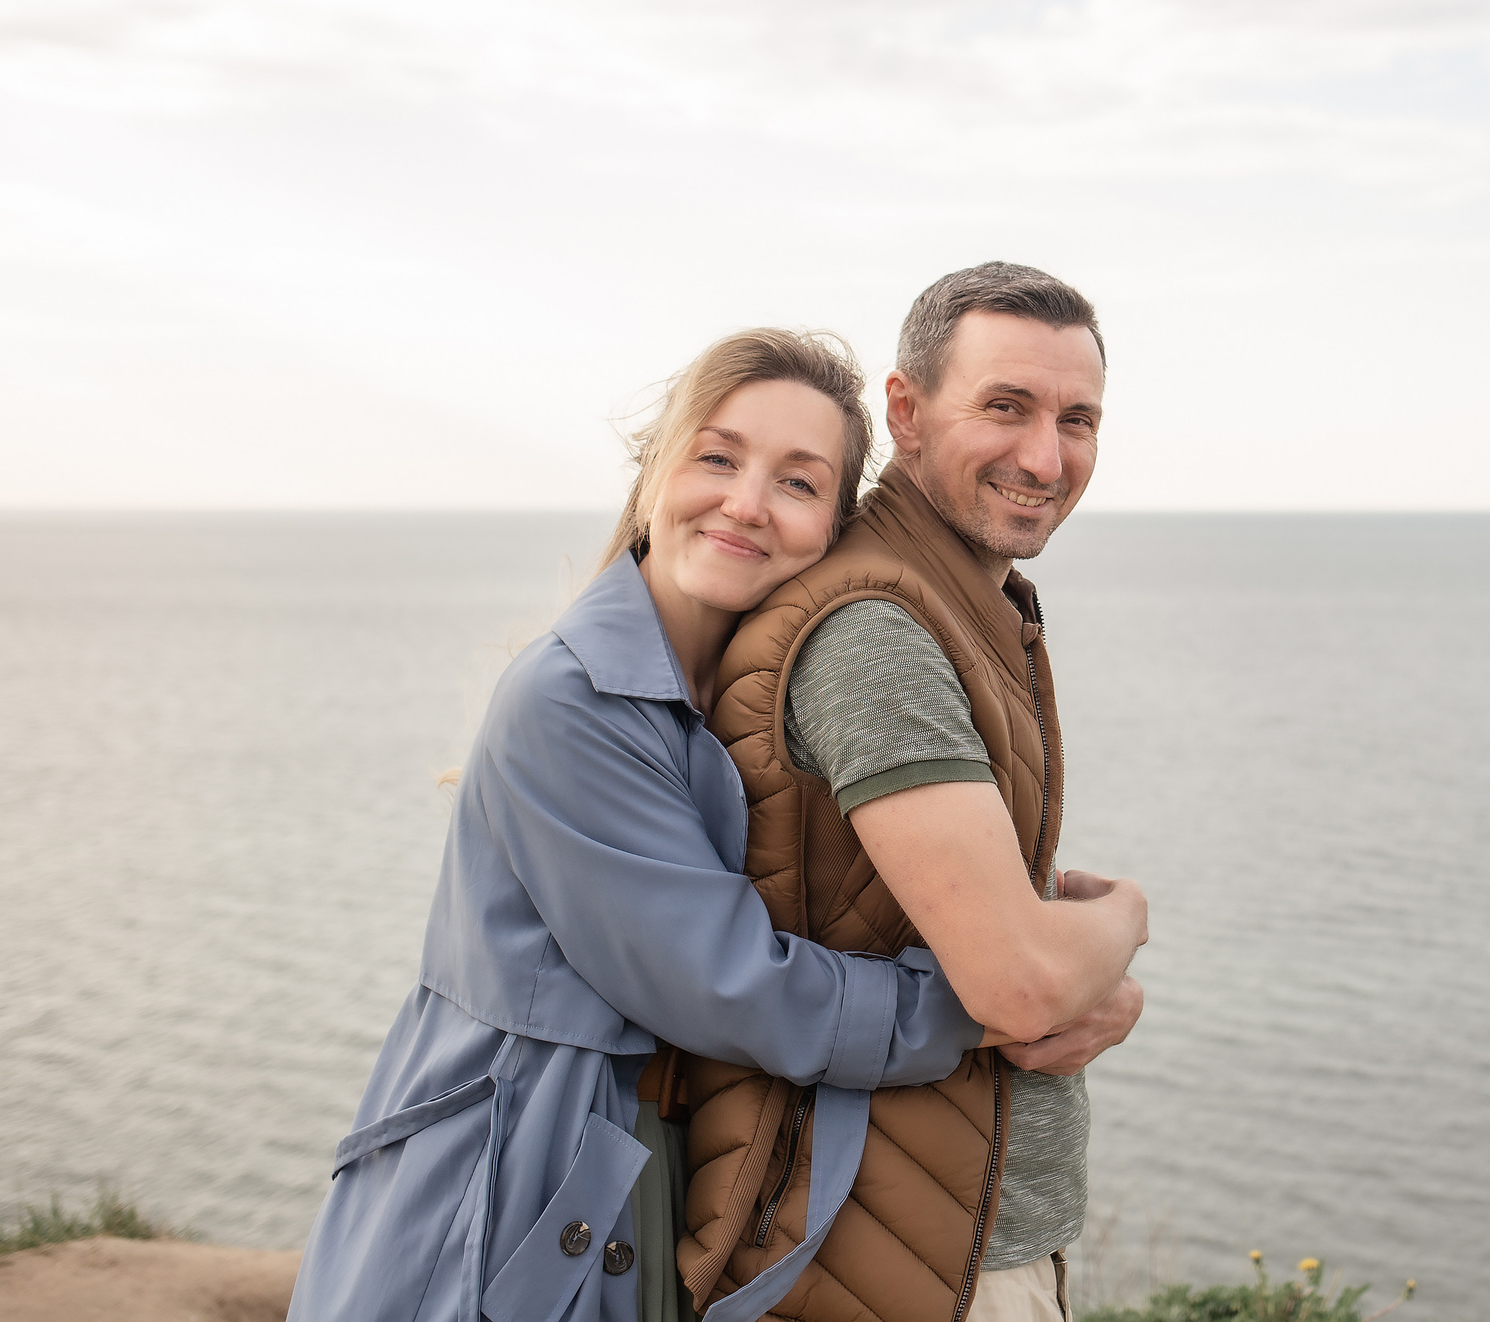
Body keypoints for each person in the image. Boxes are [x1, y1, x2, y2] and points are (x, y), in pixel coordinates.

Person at [286, 329, 1029, 1322]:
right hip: (509, 1192)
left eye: (798, 484)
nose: (746, 503)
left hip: (625, 1166)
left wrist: (1024, 915)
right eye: (716, 458)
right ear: (652, 478)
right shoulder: (567, 702)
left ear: (830, 531)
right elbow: (737, 988)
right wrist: (990, 1001)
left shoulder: (748, 701)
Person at [674, 263, 1147, 1322]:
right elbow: (1016, 988)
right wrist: (1124, 925)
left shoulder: (959, 603)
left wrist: (1097, 993)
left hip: (939, 1239)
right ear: (906, 411)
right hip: (901, 1267)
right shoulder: (876, 634)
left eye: (1078, 420)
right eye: (1005, 408)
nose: (1046, 455)